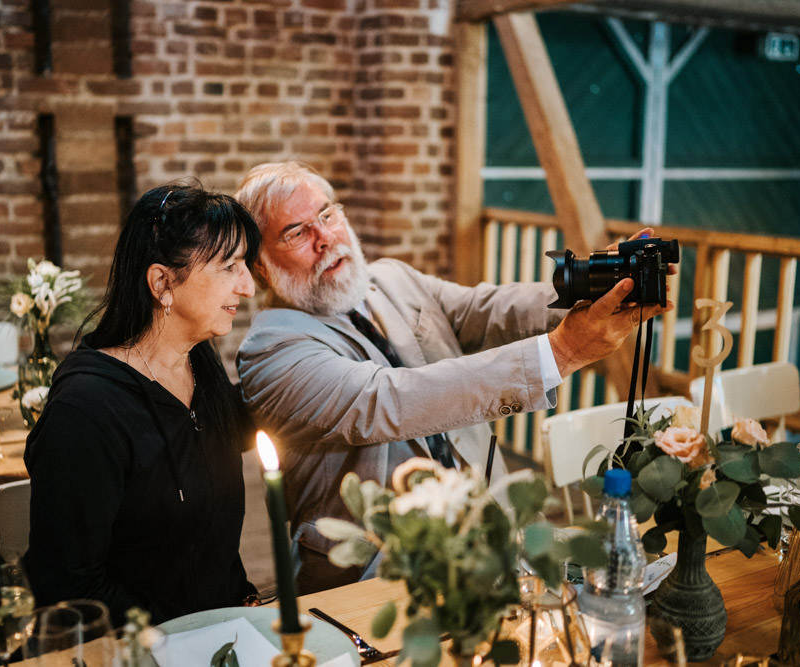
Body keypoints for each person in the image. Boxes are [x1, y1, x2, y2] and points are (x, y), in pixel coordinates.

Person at [234, 160, 672, 593]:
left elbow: (482, 310)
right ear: (259, 266)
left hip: (495, 536)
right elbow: (386, 400)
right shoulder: (270, 349)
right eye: (296, 233)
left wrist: (593, 284)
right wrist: (563, 352)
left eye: (327, 214)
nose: (325, 238)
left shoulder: (390, 278)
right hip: (381, 571)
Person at [24, 182, 261, 625]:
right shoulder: (86, 411)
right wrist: (181, 633)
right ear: (162, 283)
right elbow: (69, 589)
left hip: (225, 630)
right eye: (230, 267)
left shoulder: (198, 365)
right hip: (139, 647)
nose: (247, 286)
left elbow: (232, 436)